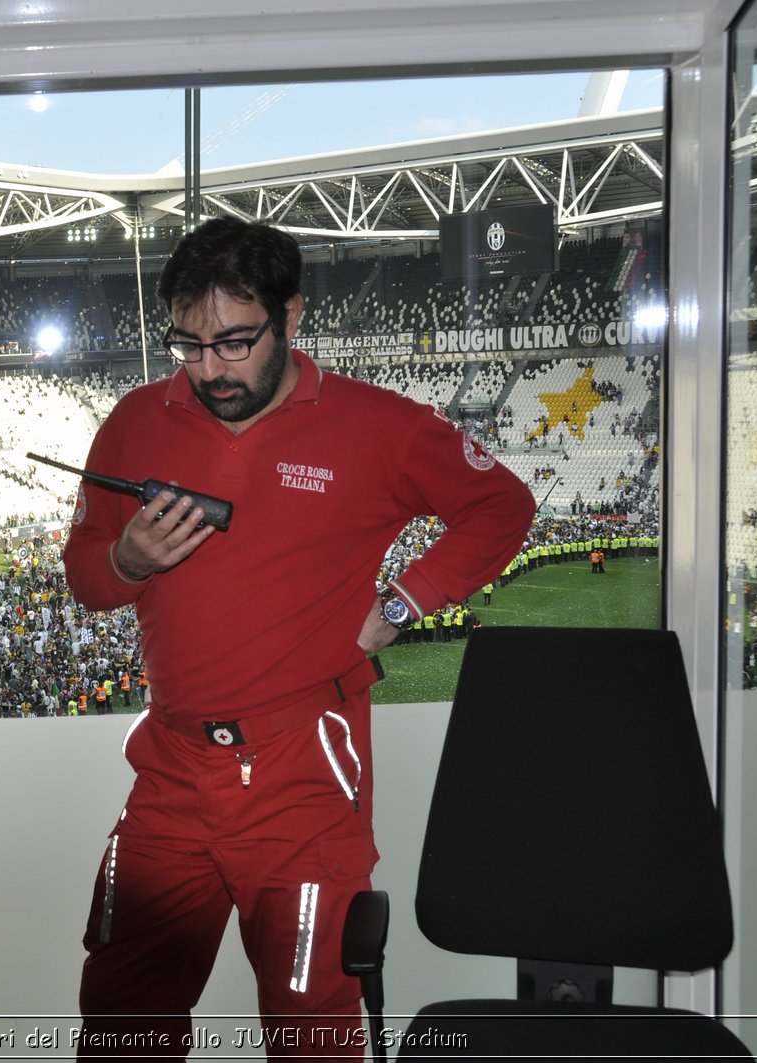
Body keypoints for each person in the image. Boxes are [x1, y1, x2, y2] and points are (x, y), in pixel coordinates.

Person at [62, 218, 534, 1058]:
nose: (209, 368)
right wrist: (128, 560)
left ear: (292, 317)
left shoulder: (374, 424)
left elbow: (502, 504)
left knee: (311, 1031)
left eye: (236, 342)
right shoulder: (136, 419)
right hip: (169, 765)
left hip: (304, 772)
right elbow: (86, 579)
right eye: (188, 344)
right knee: (121, 1021)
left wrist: (404, 600)